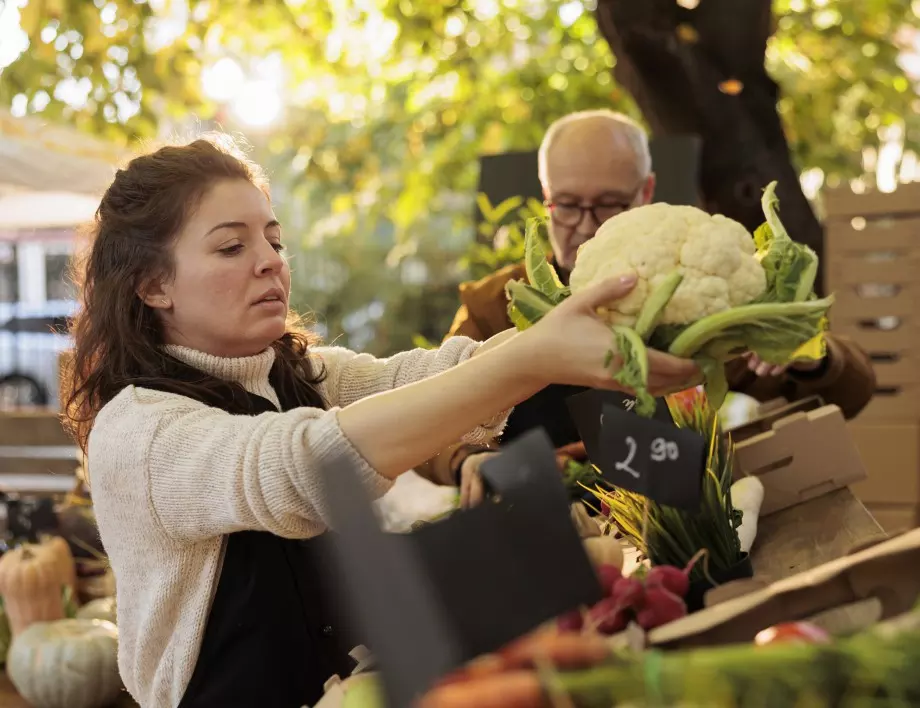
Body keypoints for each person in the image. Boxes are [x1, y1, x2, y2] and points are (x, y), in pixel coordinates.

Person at [61, 134, 698, 708]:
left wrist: (588, 335)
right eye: (232, 246)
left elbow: (430, 376)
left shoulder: (297, 373)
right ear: (151, 286)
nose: (269, 261)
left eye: (273, 240)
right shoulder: (139, 432)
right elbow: (301, 467)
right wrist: (536, 356)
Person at [415, 109, 876, 505]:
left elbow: (852, 392)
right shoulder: (494, 306)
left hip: (673, 528)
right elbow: (421, 423)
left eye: (609, 204)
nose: (585, 226)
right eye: (568, 205)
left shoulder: (685, 300)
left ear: (646, 191)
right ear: (545, 195)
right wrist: (465, 462)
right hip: (540, 529)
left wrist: (809, 357)